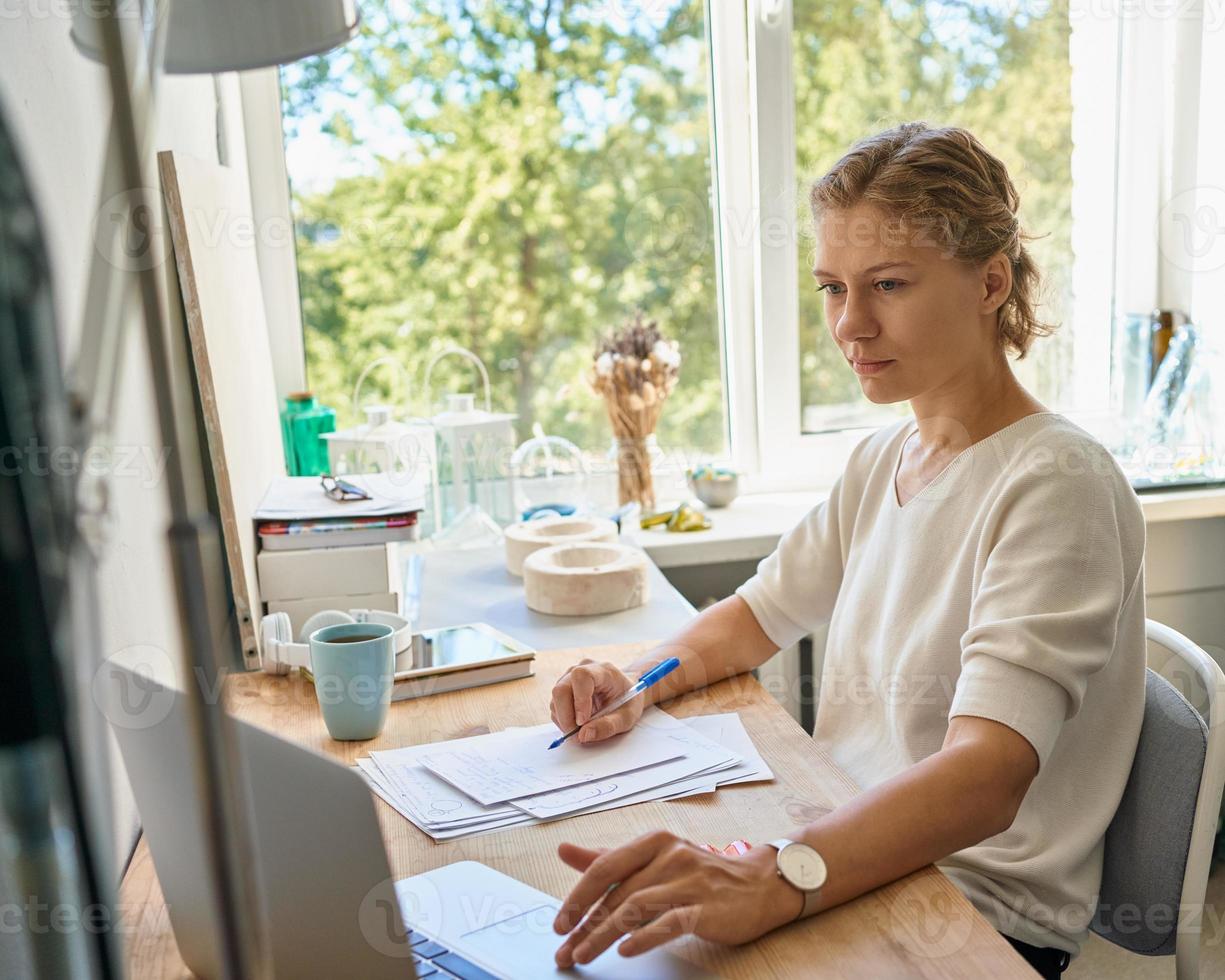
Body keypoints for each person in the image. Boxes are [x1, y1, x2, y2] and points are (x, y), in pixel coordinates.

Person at [548, 122, 1146, 980]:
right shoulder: (880, 460)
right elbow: (756, 616)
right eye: (832, 287)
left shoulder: (1058, 482)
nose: (849, 325)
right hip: (837, 848)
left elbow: (985, 776)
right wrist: (636, 684)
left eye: (889, 285)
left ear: (990, 281)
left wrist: (778, 872)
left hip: (968, 908)